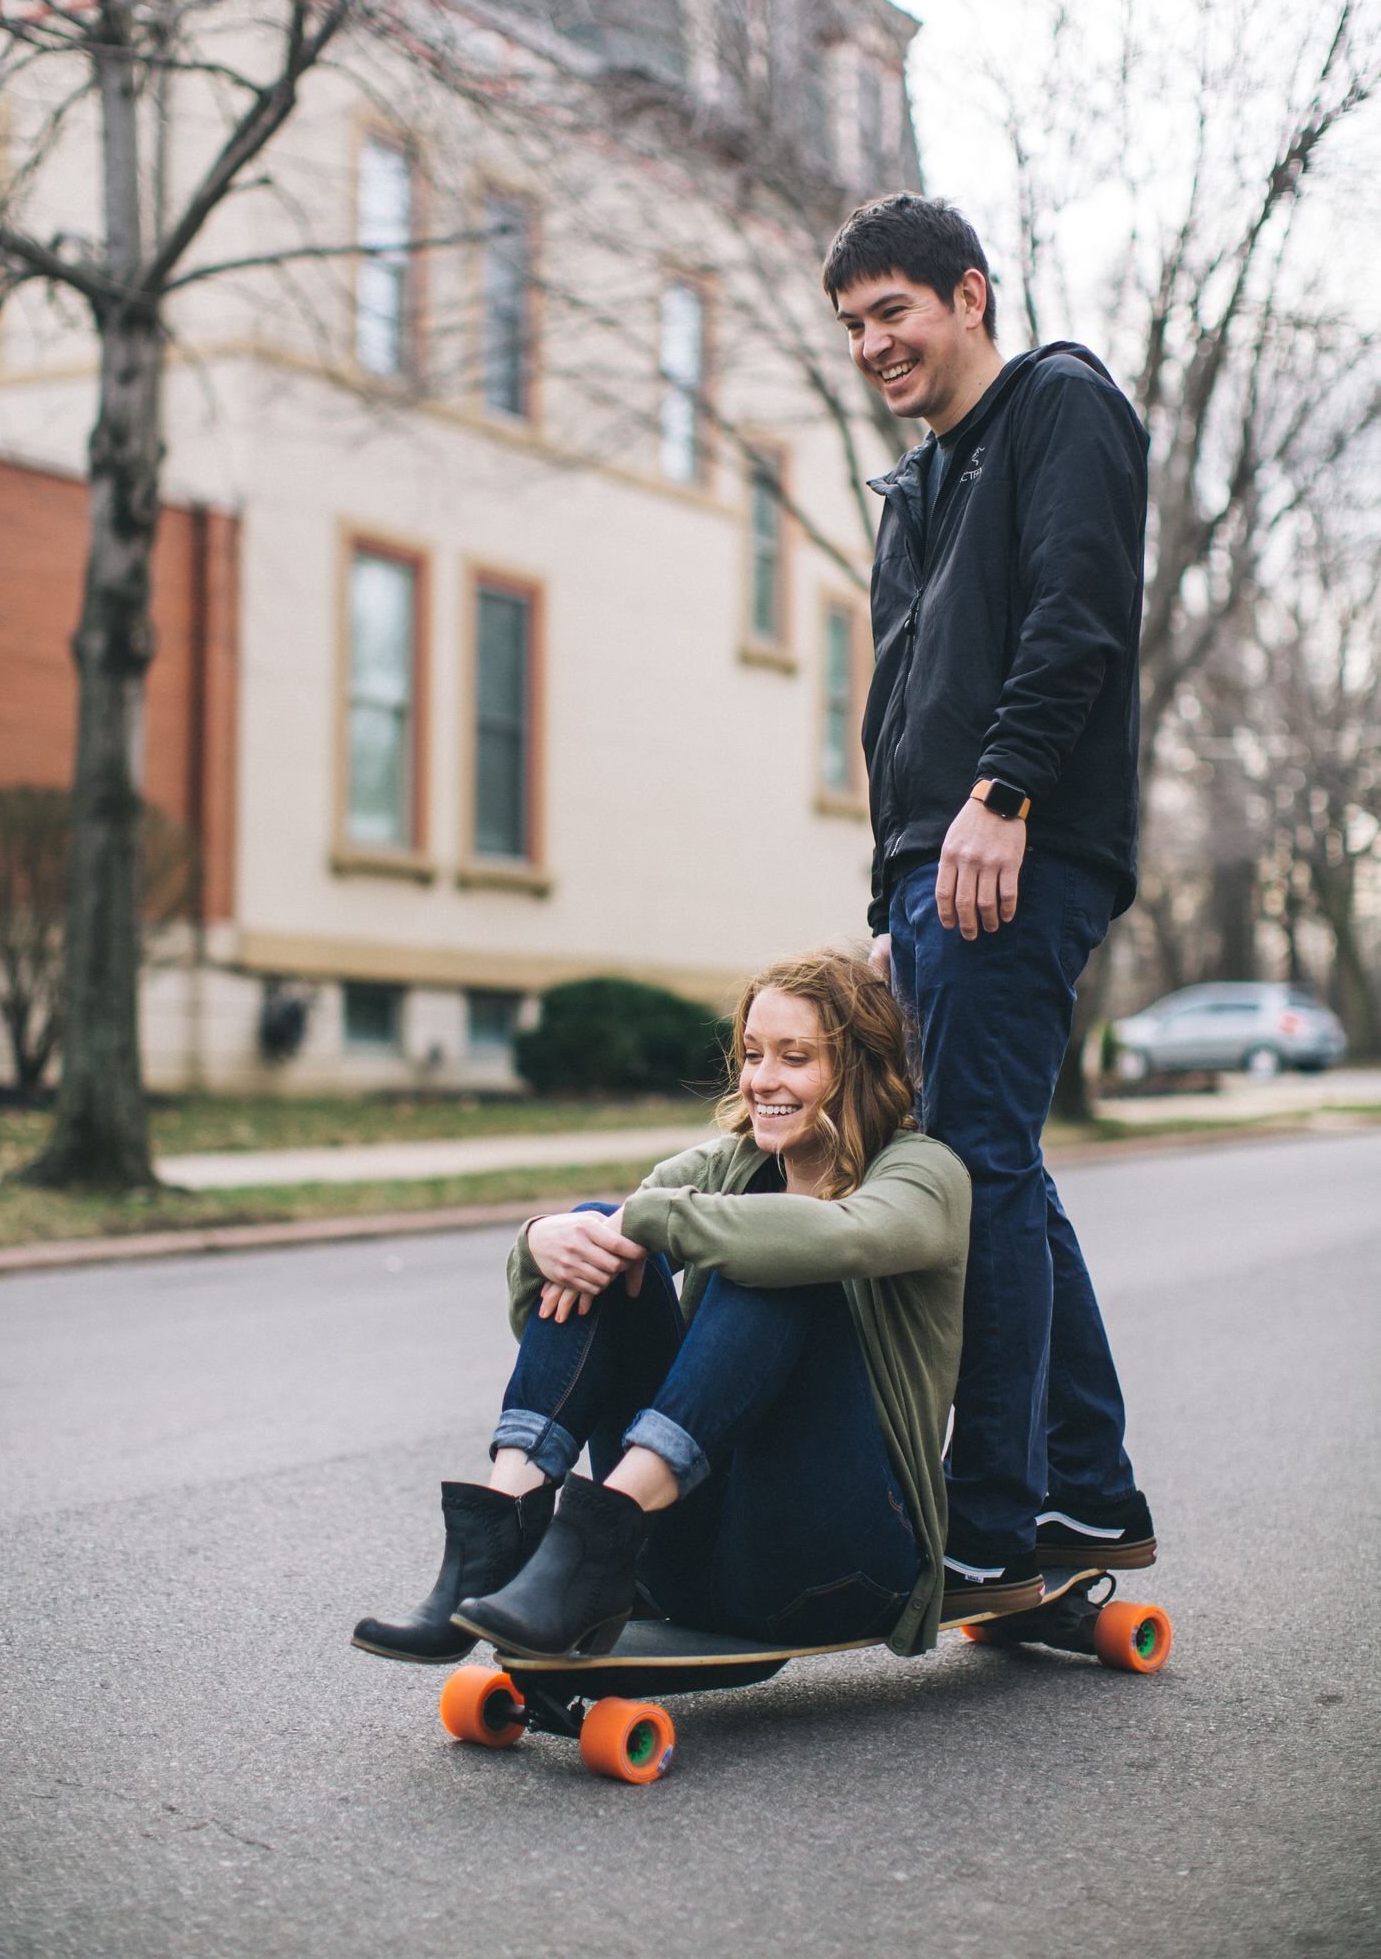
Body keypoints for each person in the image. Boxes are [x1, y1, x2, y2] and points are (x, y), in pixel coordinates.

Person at [822, 192, 1157, 1615]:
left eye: (891, 311)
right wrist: (891, 882)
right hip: (935, 862)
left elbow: (1078, 613)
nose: (871, 344)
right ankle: (1088, 1494)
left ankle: (994, 1523)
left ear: (968, 295)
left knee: (975, 1172)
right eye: (850, 325)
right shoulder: (923, 481)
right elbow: (904, 701)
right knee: (998, 1162)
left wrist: (1002, 793)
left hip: (1010, 845)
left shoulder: (1059, 406)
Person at [352, 949, 976, 1667]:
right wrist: (543, 1242)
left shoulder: (925, 1171)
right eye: (752, 1054)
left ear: (860, 1064)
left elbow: (848, 1237)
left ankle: (595, 1539)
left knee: (776, 1253)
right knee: (602, 1235)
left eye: (795, 1058)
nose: (763, 1080)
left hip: (836, 1567)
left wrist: (644, 1222)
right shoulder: (733, 1162)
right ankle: (498, 1538)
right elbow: (582, 1313)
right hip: (683, 1556)